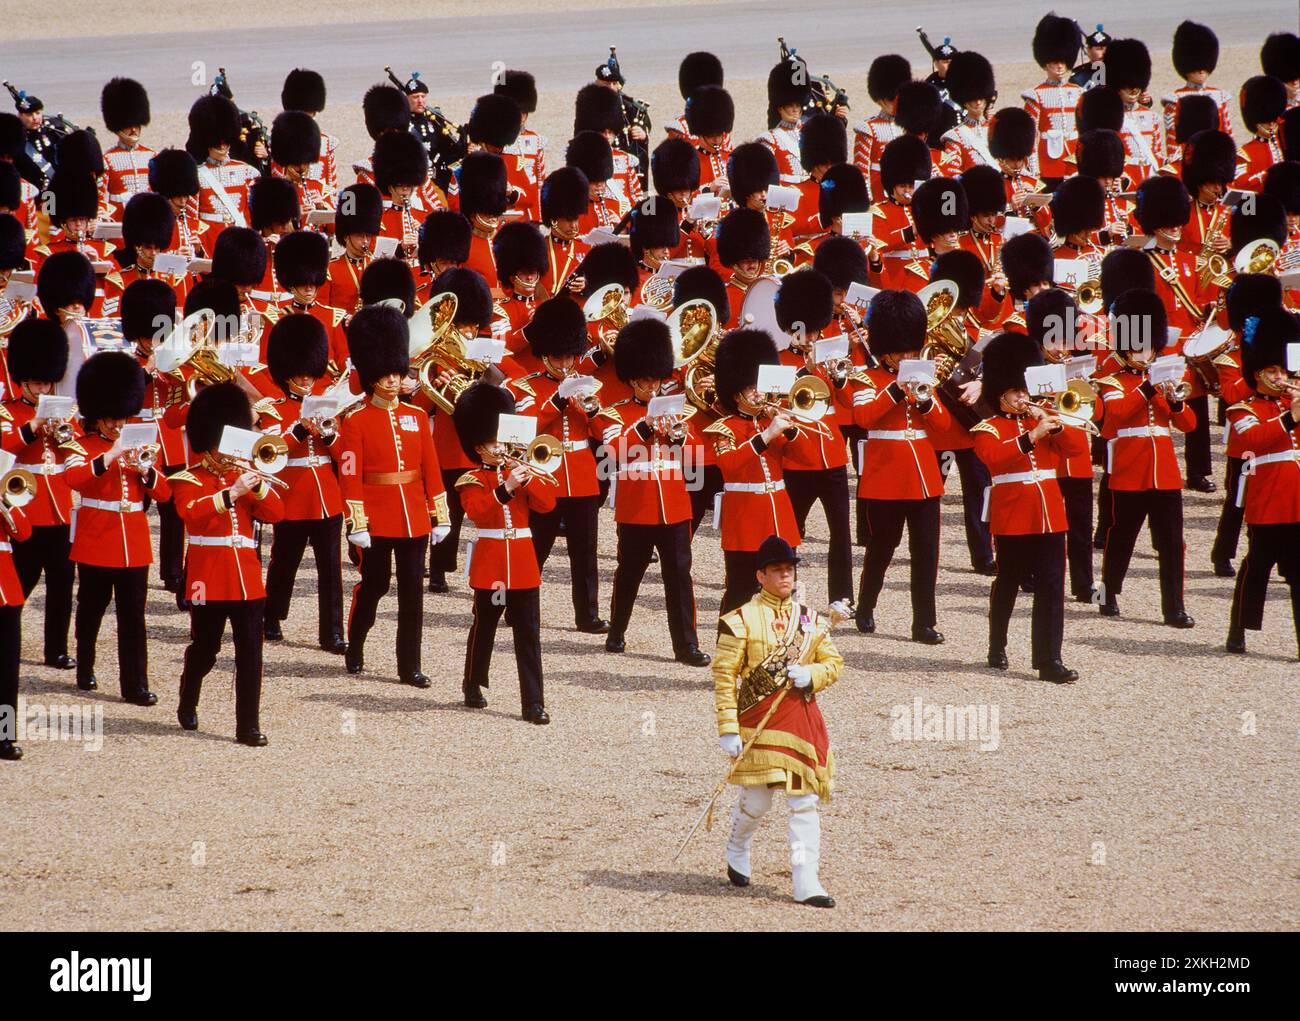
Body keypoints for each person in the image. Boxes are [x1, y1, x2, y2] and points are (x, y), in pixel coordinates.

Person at [713, 534, 843, 907]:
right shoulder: (740, 621)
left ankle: (806, 879)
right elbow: (724, 677)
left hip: (799, 720)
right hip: (757, 720)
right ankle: (737, 846)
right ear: (761, 575)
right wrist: (727, 728)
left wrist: (813, 675)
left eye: (789, 569)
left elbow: (834, 664)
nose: (785, 576)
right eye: (777, 570)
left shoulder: (811, 621)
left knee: (803, 803)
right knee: (757, 802)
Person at [339, 304, 450, 687]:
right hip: (376, 516)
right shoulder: (355, 419)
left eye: (395, 373)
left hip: (414, 516)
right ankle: (355, 645)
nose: (391, 380)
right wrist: (356, 522)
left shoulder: (417, 416)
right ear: (371, 377)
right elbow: (350, 472)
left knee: (412, 595)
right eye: (384, 374)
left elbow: (430, 467)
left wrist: (439, 513)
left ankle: (409, 666)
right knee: (375, 585)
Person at [171, 381, 284, 746]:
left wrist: (257, 486)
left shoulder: (243, 473)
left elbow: (276, 513)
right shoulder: (190, 478)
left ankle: (247, 725)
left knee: (251, 652)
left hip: (246, 576)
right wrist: (231, 492)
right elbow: (192, 515)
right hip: (208, 576)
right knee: (206, 648)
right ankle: (189, 694)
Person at [972, 332, 1085, 683]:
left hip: (1050, 512)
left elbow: (1078, 450)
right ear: (999, 392)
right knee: (1007, 581)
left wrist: (1057, 425)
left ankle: (1049, 659)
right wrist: (1032, 436)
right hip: (1014, 515)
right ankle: (997, 644)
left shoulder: (1045, 419)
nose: (1023, 397)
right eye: (1015, 391)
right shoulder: (986, 428)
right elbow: (995, 459)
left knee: (1053, 585)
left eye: (1025, 389)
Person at [595, 317, 708, 665]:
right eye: (645, 380)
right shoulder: (614, 414)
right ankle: (617, 631)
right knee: (629, 572)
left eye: (656, 378)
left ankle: (686, 645)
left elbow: (695, 457)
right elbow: (612, 453)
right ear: (632, 379)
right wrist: (644, 428)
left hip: (674, 506)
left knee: (679, 577)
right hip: (637, 506)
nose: (652, 385)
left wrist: (680, 437)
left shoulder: (678, 412)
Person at [63, 351, 168, 703]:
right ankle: (86, 666)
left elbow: (165, 492)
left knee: (133, 618)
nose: (116, 426)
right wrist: (111, 455)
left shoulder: (141, 445)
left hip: (133, 540)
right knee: (91, 609)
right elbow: (75, 479)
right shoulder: (82, 444)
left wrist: (146, 471)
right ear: (96, 415)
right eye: (110, 420)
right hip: (96, 537)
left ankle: (135, 685)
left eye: (121, 418)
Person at [849, 290, 949, 642]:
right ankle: (865, 605)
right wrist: (894, 390)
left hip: (923, 478)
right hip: (885, 478)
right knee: (882, 547)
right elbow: (863, 417)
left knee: (926, 553)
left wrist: (925, 402)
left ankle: (924, 622)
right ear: (884, 347)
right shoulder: (866, 379)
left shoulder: (924, 376)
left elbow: (945, 427)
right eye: (900, 350)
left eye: (911, 349)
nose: (907, 356)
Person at [452, 382, 555, 724]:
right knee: (485, 628)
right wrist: (507, 487)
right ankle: (472, 683)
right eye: (493, 443)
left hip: (523, 563)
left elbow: (547, 504)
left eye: (501, 440)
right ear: (478, 447)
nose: (500, 448)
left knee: (528, 634)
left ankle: (533, 703)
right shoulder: (471, 479)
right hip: (492, 564)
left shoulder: (520, 472)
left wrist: (526, 479)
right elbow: (479, 512)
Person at [505, 296, 607, 634]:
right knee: (535, 547)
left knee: (585, 553)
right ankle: (517, 607)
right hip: (543, 476)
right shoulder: (527, 387)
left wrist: (590, 412)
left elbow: (605, 433)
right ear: (545, 354)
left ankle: (587, 615)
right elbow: (523, 430)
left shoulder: (589, 386)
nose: (565, 363)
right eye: (558, 357)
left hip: (581, 474)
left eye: (570, 356)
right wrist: (556, 402)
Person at [1096, 288, 1196, 627]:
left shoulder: (1167, 378)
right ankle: (1108, 592)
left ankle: (1174, 607)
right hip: (1129, 471)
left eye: (1149, 346)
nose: (1144, 353)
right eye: (1138, 347)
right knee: (1121, 536)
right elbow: (1119, 414)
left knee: (1172, 544)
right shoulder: (1112, 381)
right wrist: (1148, 389)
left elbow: (1188, 424)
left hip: (1165, 472)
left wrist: (1177, 401)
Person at [258, 313, 346, 653]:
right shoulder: (273, 409)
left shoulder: (328, 403)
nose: (307, 381)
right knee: (284, 562)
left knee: (330, 569)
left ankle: (332, 633)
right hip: (291, 493)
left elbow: (342, 452)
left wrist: (328, 434)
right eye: (300, 375)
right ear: (286, 374)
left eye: (311, 374)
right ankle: (272, 615)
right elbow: (270, 451)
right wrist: (297, 431)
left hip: (326, 494)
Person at [706, 328, 801, 615]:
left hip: (779, 514)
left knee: (783, 590)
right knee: (740, 590)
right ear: (736, 395)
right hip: (745, 517)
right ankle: (729, 647)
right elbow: (730, 465)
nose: (759, 394)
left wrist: (792, 430)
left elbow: (806, 458)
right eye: (751, 388)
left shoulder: (771, 421)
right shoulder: (724, 428)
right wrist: (765, 437)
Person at [0, 317, 75, 670]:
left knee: (62, 584)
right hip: (25, 509)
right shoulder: (8, 412)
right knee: (20, 580)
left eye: (46, 382)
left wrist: (64, 435)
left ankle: (56, 649)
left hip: (58, 506)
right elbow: (8, 446)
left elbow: (74, 455)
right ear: (22, 380)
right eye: (36, 383)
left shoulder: (62, 412)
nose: (42, 389)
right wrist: (33, 426)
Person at [1226, 306, 1300, 658]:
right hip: (1268, 500)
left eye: (1282, 369)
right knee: (1256, 569)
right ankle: (1238, 628)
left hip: (1297, 501)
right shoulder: (1242, 409)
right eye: (1272, 370)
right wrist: (1290, 417)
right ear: (1257, 373)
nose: (1280, 376)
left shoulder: (1293, 401)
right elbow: (1254, 441)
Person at [1024, 14, 1085, 189]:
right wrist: (1034, 168)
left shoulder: (1079, 92)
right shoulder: (1035, 95)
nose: (1059, 66)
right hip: (1048, 161)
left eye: (1063, 62)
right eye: (1054, 62)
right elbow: (1031, 135)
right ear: (1045, 63)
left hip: (1074, 158)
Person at [0, 460, 31, 760]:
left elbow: (24, 532)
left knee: (7, 672)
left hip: (6, 590)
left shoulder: (4, 488)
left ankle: (4, 735)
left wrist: (6, 506)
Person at [853, 54, 911, 203]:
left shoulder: (909, 126)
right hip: (879, 195)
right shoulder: (868, 128)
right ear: (880, 100)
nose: (893, 104)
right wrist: (867, 200)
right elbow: (862, 170)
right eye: (889, 100)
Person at [99, 77, 154, 219]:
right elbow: (100, 196)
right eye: (129, 126)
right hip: (119, 220)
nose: (134, 130)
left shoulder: (152, 156)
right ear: (118, 127)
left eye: (137, 125)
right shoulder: (107, 159)